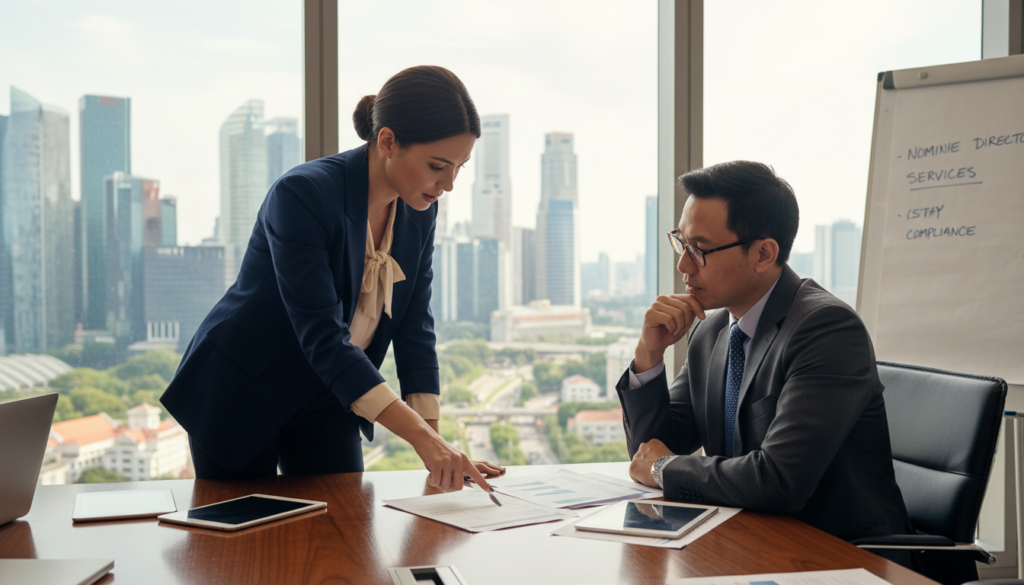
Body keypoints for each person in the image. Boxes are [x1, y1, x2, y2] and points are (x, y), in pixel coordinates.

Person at [161, 66, 503, 490]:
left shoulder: (421, 210)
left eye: (459, 168)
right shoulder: (302, 194)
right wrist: (423, 440)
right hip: (243, 389)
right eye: (438, 165)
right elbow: (322, 336)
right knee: (244, 544)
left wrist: (437, 447)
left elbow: (415, 322)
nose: (448, 184)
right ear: (388, 141)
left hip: (331, 392)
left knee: (345, 529)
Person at [618, 161, 912, 542]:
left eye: (700, 249)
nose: (683, 264)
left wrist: (662, 469)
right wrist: (648, 355)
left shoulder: (827, 330)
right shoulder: (711, 331)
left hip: (837, 552)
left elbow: (779, 480)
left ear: (763, 254)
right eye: (682, 243)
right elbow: (652, 450)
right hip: (746, 540)